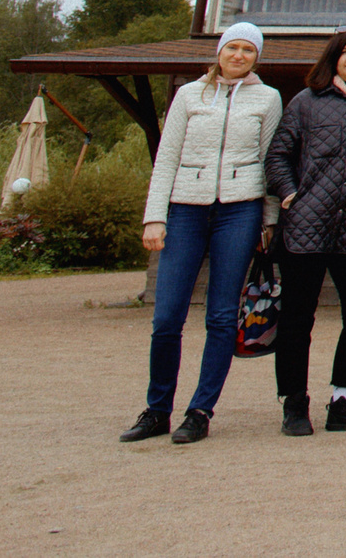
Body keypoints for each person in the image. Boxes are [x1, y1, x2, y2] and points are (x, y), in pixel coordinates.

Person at [122, 22, 282, 445]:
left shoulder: (268, 98)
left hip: (239, 209)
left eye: (249, 50)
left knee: (221, 315)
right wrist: (154, 216)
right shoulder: (189, 95)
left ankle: (200, 410)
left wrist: (268, 221)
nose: (239, 55)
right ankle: (157, 409)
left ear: (256, 58)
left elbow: (269, 162)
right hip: (186, 208)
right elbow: (167, 156)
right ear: (219, 51)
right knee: (167, 315)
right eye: (233, 47)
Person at [265, 27, 346, 436]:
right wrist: (290, 196)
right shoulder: (305, 103)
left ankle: (343, 400)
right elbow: (278, 156)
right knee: (296, 318)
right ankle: (294, 403)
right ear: (333, 58)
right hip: (305, 228)